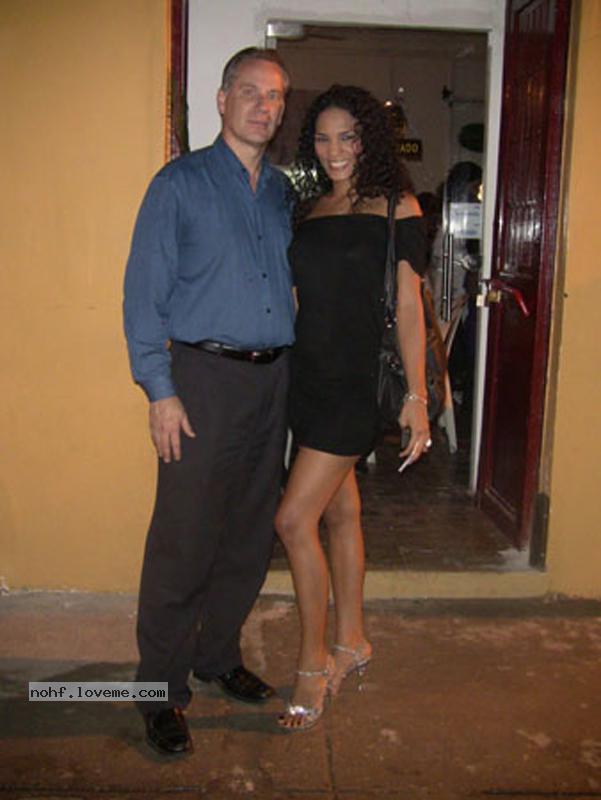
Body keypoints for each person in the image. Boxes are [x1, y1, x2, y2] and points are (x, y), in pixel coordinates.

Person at [123, 47, 294, 755]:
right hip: (202, 380)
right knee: (183, 542)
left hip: (272, 381)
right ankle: (157, 691)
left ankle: (217, 655)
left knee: (249, 536)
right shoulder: (179, 184)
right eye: (249, 91)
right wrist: (160, 391)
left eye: (275, 95)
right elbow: (143, 296)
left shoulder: (281, 192)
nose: (263, 105)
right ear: (222, 100)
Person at [275, 85, 431, 732]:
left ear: (368, 140)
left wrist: (418, 397)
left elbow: (409, 307)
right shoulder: (308, 208)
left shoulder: (397, 207)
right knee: (340, 513)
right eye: (322, 137)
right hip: (306, 377)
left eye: (347, 137)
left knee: (292, 520)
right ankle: (353, 639)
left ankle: (312, 664)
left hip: (354, 384)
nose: (334, 149)